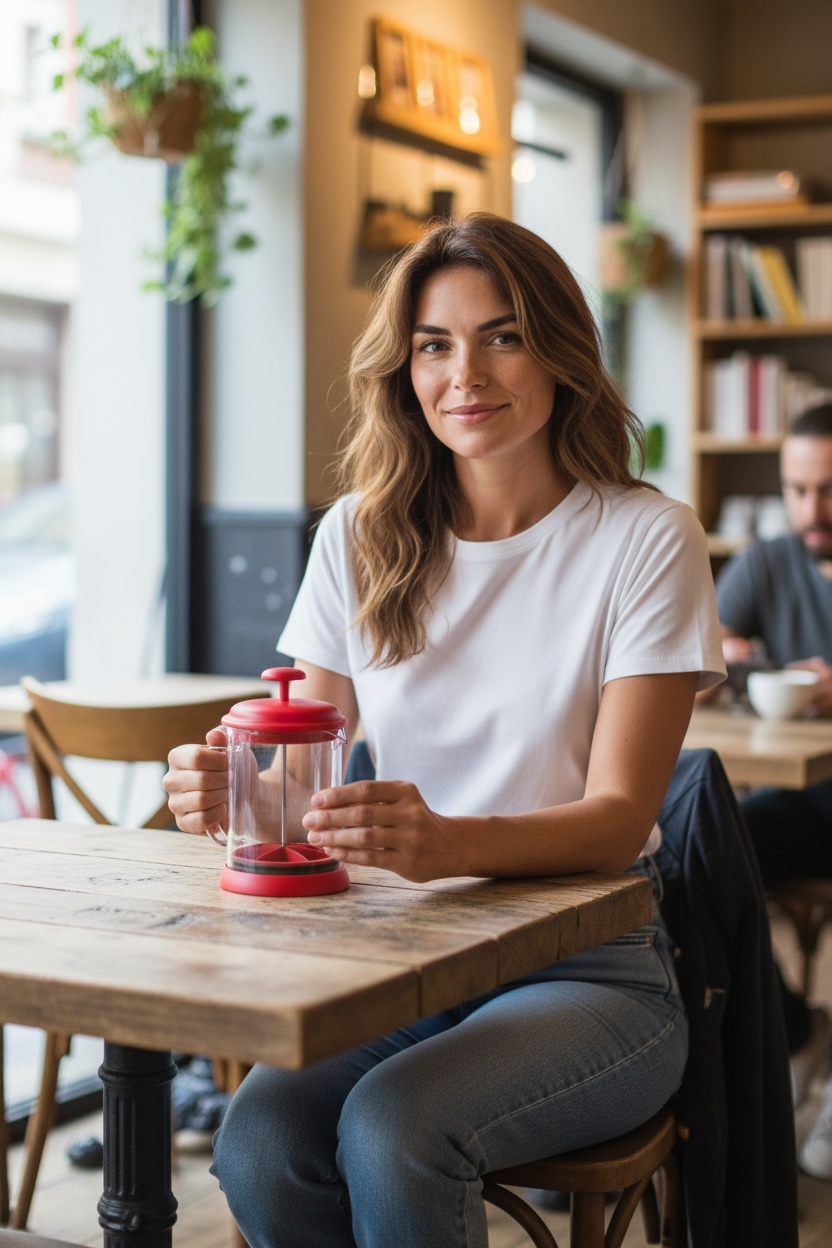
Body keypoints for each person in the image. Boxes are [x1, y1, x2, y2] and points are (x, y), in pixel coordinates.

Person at [163, 213, 724, 1248]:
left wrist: (450, 844)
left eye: (502, 336)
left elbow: (614, 820)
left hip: (590, 969)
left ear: (560, 351)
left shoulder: (645, 536)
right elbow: (300, 783)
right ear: (404, 366)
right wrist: (230, 792)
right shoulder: (360, 534)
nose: (464, 372)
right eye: (433, 344)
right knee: (259, 1138)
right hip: (407, 959)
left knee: (393, 1127)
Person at [714, 401, 832, 1180]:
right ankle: (791, 1028)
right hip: (805, 795)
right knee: (716, 838)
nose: (810, 510)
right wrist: (720, 660)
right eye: (796, 490)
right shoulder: (766, 561)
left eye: (827, 490)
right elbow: (701, 657)